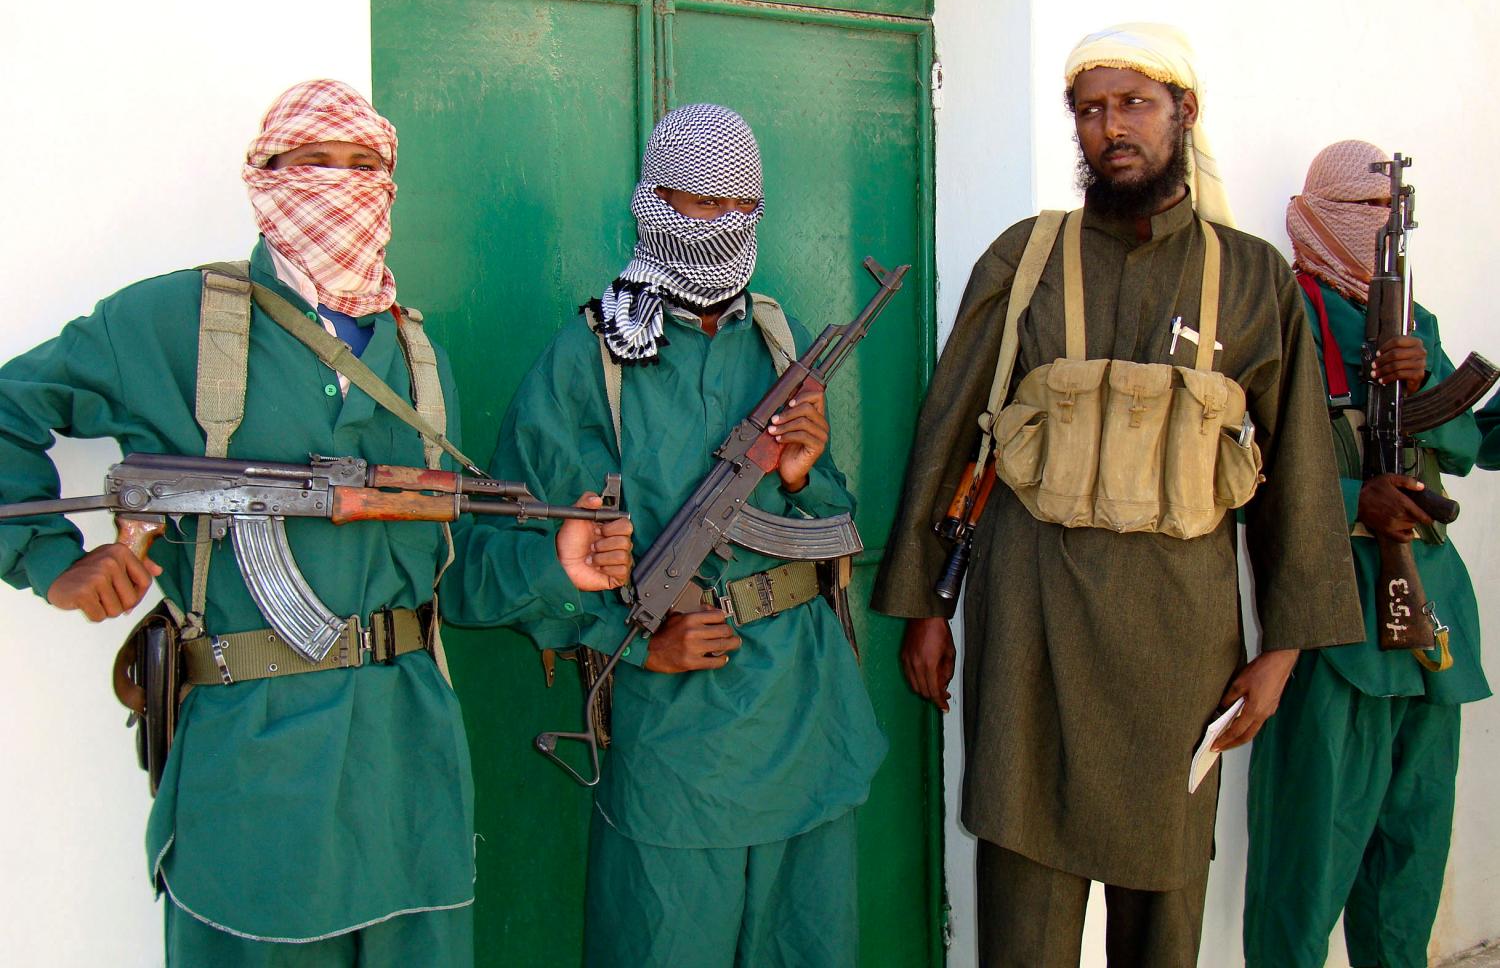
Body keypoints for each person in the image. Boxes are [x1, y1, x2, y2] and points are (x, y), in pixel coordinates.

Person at [0, 79, 631, 966]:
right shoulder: (175, 324)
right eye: (312, 164)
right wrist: (50, 560)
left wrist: (556, 566)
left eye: (364, 166)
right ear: (264, 177)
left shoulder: (419, 359)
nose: (340, 186)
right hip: (253, 777)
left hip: (409, 768)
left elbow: (446, 580)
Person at [871, 24, 1362, 967]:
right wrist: (926, 610)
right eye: (1090, 110)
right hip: (1031, 643)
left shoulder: (1253, 278)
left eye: (1133, 102)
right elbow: (947, 437)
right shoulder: (1026, 261)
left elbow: (1296, 478)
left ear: (1184, 112)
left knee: (1163, 923)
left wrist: (1284, 653)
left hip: (1180, 661)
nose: (1111, 128)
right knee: (1024, 920)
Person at [488, 103, 886, 967]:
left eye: (732, 207)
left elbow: (836, 527)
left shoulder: (778, 339)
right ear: (649, 200)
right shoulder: (591, 358)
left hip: (807, 721)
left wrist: (799, 473)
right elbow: (500, 562)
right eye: (688, 202)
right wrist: (630, 645)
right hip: (675, 745)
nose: (710, 226)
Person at [1242, 139, 1490, 968]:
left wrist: (1423, 386)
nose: (1377, 226)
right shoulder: (1280, 314)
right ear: (1316, 217)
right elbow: (1241, 474)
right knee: (1305, 869)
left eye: (1390, 213)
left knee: (1409, 865)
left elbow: (1464, 444)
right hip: (1332, 616)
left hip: (1433, 623)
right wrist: (1356, 505)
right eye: (1360, 209)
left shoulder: (1412, 323)